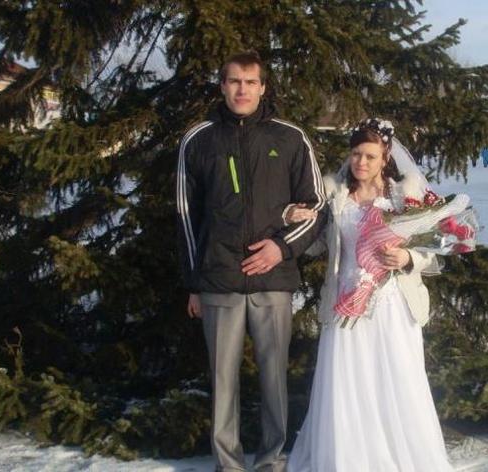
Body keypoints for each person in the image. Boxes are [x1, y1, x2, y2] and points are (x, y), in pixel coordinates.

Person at [175, 51, 326, 472]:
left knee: (274, 378)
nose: (242, 89)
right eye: (234, 81)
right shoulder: (198, 139)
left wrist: (281, 248)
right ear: (222, 86)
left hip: (273, 280)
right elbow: (186, 216)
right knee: (223, 381)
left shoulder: (290, 138)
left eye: (250, 82)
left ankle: (271, 460)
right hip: (218, 280)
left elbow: (317, 206)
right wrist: (193, 282)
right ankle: (229, 464)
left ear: (262, 87)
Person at [285, 118, 453, 472]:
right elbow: (317, 247)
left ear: (385, 157)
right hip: (345, 304)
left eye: (370, 156)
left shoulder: (405, 197)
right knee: (348, 385)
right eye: (356, 154)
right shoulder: (335, 197)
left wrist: (407, 257)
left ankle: (402, 455)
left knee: (398, 381)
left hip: (393, 306)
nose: (361, 162)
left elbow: (433, 250)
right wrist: (299, 221)